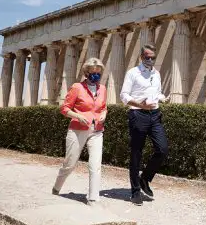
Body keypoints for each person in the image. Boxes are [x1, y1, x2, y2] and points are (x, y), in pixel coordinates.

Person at [52, 57, 107, 206]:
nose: (96, 75)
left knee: (95, 165)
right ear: (86, 72)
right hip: (77, 130)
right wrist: (77, 115)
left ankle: (93, 198)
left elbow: (103, 107)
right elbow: (64, 108)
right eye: (93, 72)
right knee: (69, 164)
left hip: (96, 131)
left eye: (99, 73)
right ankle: (56, 187)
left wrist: (104, 114)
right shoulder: (77, 87)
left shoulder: (102, 89)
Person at [120, 44, 170, 206]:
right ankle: (135, 191)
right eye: (147, 57)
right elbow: (124, 95)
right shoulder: (133, 73)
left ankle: (145, 179)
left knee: (162, 150)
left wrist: (162, 97)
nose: (150, 60)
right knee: (137, 153)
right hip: (138, 114)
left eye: (152, 57)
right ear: (141, 57)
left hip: (155, 115)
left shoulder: (157, 74)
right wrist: (140, 106)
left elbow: (155, 93)